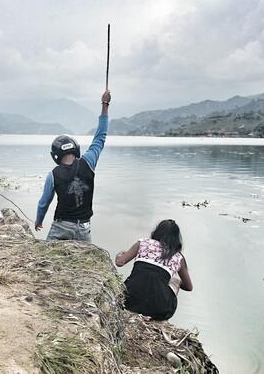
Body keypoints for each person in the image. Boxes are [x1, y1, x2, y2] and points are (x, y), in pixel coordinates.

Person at [35, 90, 111, 241]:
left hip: (61, 227)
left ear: (55, 155)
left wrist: (39, 220)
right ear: (75, 148)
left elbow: (44, 203)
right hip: (84, 228)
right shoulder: (88, 162)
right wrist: (105, 105)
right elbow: (100, 137)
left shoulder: (53, 175)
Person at [115, 219, 193, 320]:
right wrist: (171, 281)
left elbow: (119, 262)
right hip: (160, 310)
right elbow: (189, 287)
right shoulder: (178, 258)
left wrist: (120, 254)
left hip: (127, 301)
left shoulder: (143, 243)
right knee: (175, 279)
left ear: (156, 232)